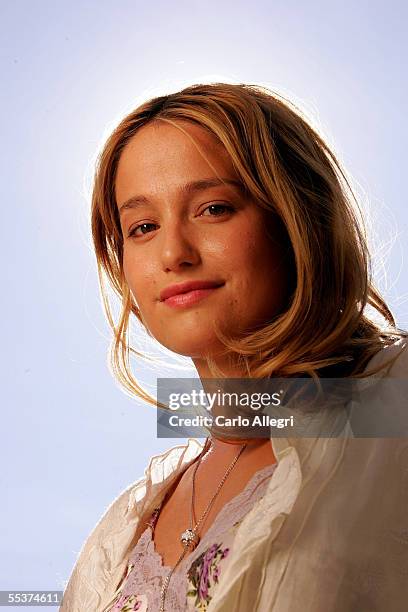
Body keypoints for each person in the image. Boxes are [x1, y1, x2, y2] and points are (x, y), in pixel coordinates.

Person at [61, 82, 408, 612]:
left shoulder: (397, 406)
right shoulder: (118, 538)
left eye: (214, 208)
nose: (173, 252)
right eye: (143, 226)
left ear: (297, 219)